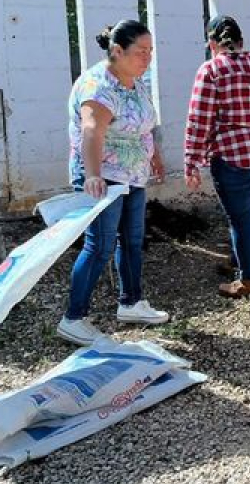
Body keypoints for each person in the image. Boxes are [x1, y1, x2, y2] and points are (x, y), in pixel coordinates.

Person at [59, 20, 169, 346]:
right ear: (118, 51)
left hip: (132, 175)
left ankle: (131, 302)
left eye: (150, 51)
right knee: (100, 246)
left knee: (132, 240)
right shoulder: (98, 86)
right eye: (141, 51)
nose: (147, 57)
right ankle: (73, 318)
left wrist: (154, 155)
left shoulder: (136, 80)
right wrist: (92, 175)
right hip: (103, 176)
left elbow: (144, 123)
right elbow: (92, 131)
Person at [185, 15, 250, 300]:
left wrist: (191, 161)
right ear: (242, 41)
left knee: (243, 220)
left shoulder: (212, 70)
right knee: (248, 215)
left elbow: (198, 120)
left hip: (234, 156)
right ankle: (237, 258)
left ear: (212, 43)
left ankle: (249, 281)